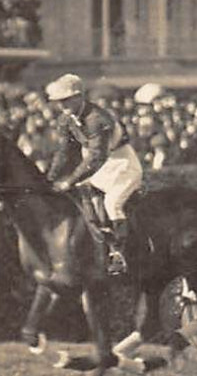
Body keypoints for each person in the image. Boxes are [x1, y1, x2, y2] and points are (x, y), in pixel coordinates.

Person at [43, 74, 143, 277]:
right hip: (97, 165)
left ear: (80, 97)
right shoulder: (66, 119)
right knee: (84, 197)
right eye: (59, 102)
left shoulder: (97, 119)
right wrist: (50, 178)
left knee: (112, 203)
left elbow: (97, 157)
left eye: (66, 100)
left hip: (122, 164)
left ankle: (119, 254)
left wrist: (70, 180)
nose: (62, 106)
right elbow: (64, 152)